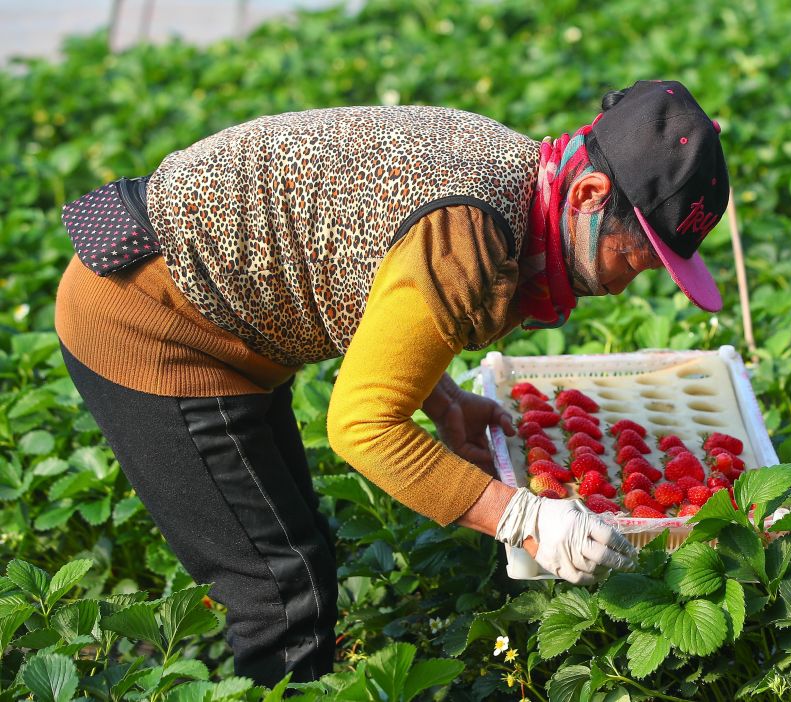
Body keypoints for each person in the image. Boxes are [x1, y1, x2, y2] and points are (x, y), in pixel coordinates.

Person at [54, 79, 729, 685]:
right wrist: (518, 516)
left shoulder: (520, 172)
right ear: (588, 195)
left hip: (208, 303)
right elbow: (361, 427)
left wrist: (441, 395)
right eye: (635, 259)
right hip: (151, 323)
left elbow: (386, 272)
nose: (623, 286)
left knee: (296, 550)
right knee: (279, 588)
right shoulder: (473, 233)